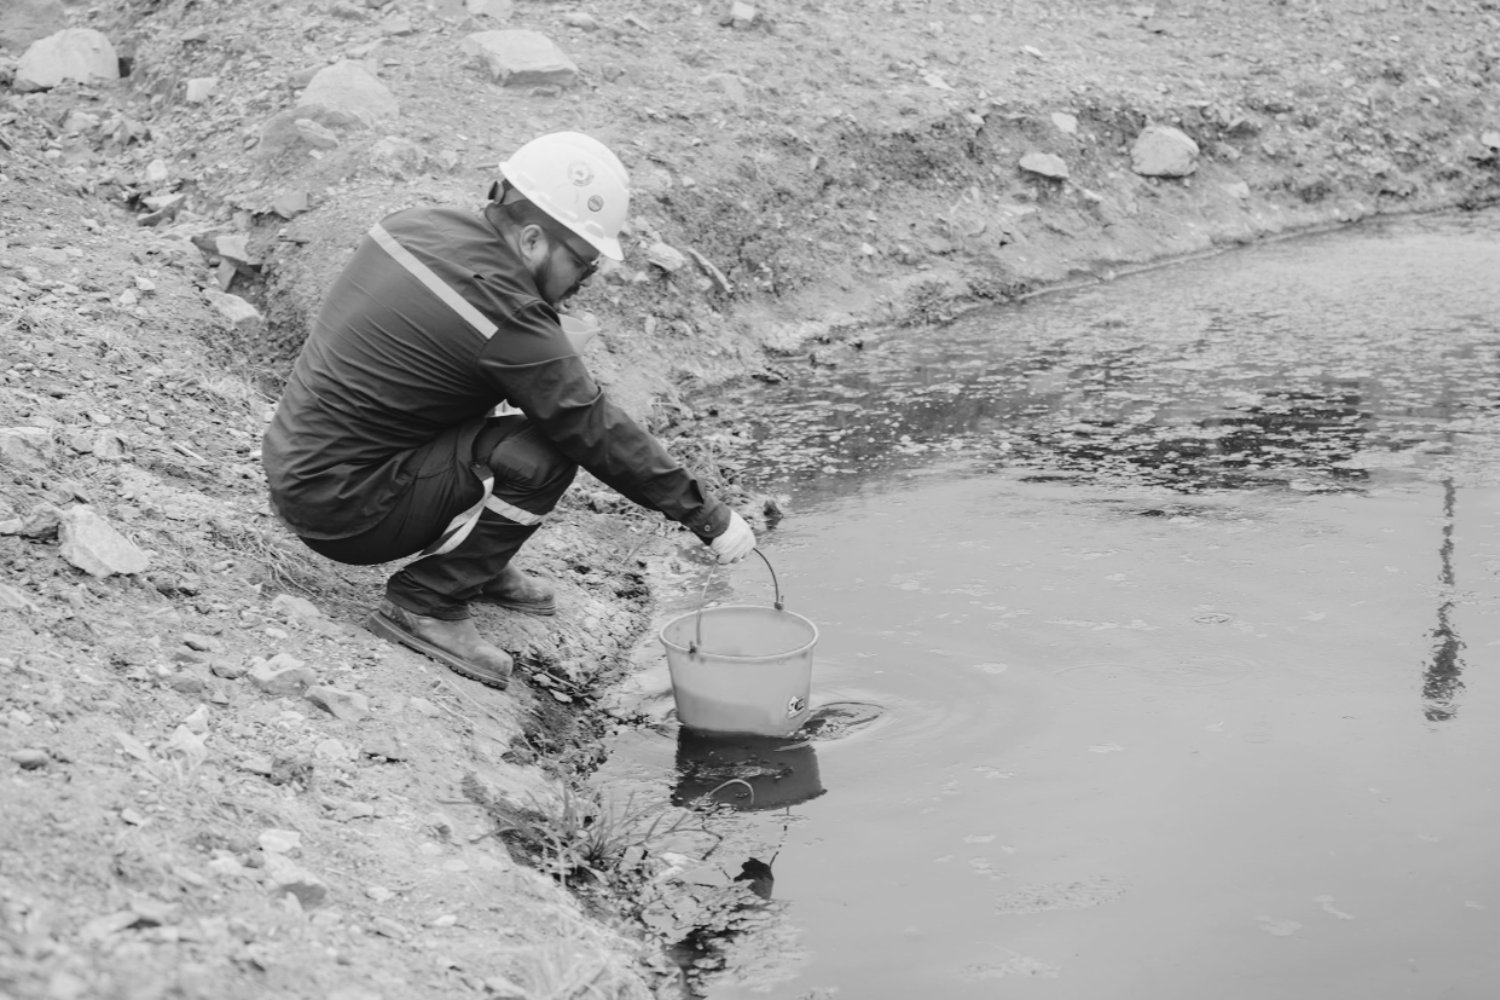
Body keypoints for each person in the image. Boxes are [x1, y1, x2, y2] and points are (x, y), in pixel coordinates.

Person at [261, 131, 756, 690]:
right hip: (344, 511)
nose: (581, 285)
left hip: (297, 463)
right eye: (584, 265)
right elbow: (591, 425)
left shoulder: (413, 225)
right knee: (543, 454)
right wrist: (706, 516)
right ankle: (429, 601)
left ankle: (478, 565)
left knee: (502, 405)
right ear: (531, 238)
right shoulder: (506, 313)